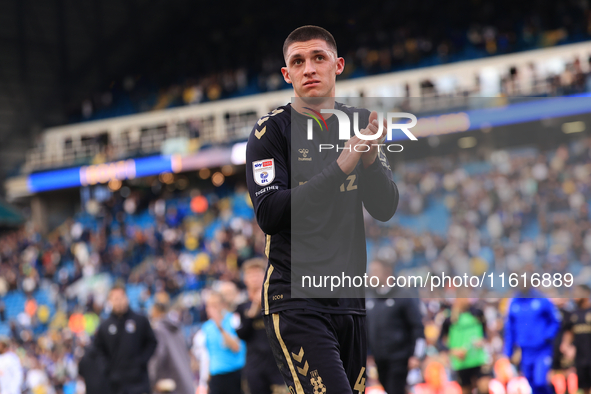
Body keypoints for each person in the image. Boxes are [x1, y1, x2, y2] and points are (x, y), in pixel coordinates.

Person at [245, 25, 399, 393]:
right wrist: (341, 167)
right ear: (287, 74)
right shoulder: (270, 133)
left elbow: (385, 206)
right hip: (296, 301)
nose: (308, 68)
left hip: (349, 301)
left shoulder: (359, 124)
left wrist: (371, 161)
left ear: (338, 65)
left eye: (318, 58)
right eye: (297, 61)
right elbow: (269, 213)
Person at [366, 260, 425, 394]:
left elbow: (417, 327)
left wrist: (417, 355)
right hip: (379, 358)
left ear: (387, 272)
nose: (371, 275)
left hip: (400, 357)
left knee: (395, 389)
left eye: (375, 271)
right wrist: (367, 353)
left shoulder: (403, 295)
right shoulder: (369, 297)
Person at [94, 282, 158, 394]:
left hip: (139, 381)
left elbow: (152, 342)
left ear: (126, 298)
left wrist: (142, 361)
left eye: (120, 298)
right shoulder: (104, 326)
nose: (118, 302)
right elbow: (99, 350)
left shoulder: (140, 320)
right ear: (110, 301)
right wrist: (107, 369)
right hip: (115, 384)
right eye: (115, 299)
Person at [236, 258, 287, 394]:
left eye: (257, 274)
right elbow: (241, 334)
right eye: (250, 275)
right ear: (245, 279)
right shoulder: (242, 307)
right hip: (255, 364)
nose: (254, 278)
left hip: (278, 362)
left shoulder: (277, 301)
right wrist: (253, 310)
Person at [504, 288, 561, 394]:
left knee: (540, 381)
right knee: (531, 382)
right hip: (525, 350)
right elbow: (510, 329)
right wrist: (508, 351)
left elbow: (555, 321)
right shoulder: (514, 302)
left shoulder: (542, 300)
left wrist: (547, 336)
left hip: (542, 349)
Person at [192, 291, 246, 394]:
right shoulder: (206, 328)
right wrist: (204, 382)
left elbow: (236, 347)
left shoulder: (233, 320)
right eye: (210, 306)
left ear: (223, 305)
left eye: (215, 305)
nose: (212, 309)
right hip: (216, 378)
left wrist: (220, 327)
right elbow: (206, 357)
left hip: (235, 375)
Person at [148, 293, 195, 394]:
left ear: (155, 311)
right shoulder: (177, 328)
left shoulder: (158, 330)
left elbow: (157, 358)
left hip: (169, 384)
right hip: (184, 381)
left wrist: (152, 381)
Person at [439, 297, 487, 394]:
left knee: (484, 386)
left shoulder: (477, 313)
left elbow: (485, 332)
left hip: (477, 358)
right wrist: (453, 351)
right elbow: (440, 341)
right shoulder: (450, 319)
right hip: (461, 362)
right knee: (466, 389)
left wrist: (482, 340)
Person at [560, 285, 591, 394]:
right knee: (584, 386)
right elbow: (569, 332)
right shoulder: (573, 314)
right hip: (581, 357)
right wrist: (566, 346)